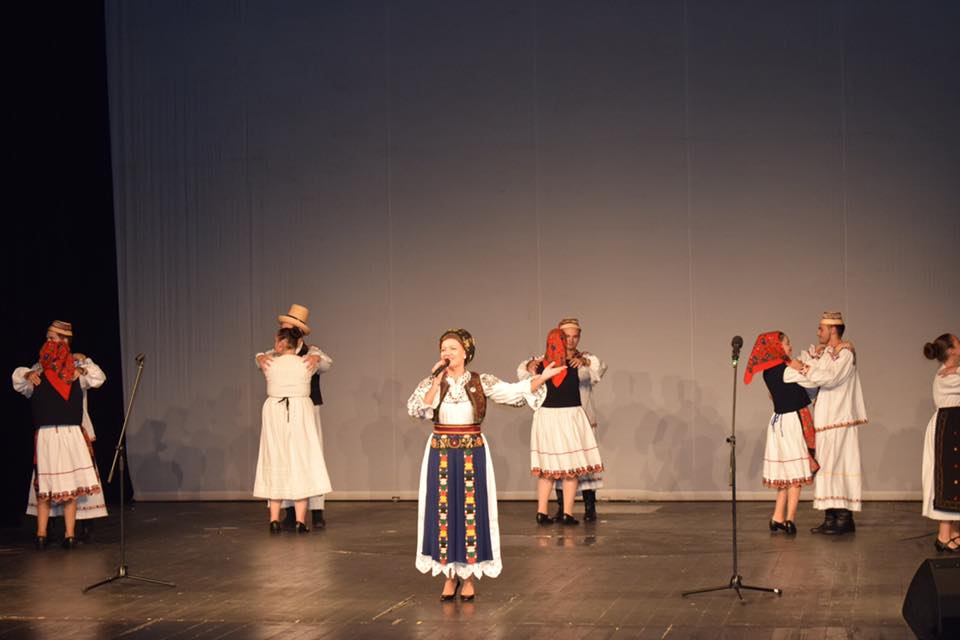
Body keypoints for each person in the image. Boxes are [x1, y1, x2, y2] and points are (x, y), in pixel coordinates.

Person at [408, 328, 563, 602]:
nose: (447, 353)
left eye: (453, 348)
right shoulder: (433, 381)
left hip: (471, 452)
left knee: (471, 512)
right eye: (443, 349)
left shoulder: (481, 381)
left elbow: (513, 393)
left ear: (466, 353)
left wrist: (540, 378)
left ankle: (468, 577)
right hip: (441, 452)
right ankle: (449, 575)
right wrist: (435, 381)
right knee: (443, 513)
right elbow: (418, 410)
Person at [11, 320, 105, 549]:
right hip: (51, 429)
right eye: (47, 338)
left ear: (65, 340)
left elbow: (98, 377)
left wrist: (82, 366)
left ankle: (79, 527)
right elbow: (20, 378)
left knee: (76, 479)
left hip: (73, 428)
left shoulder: (77, 364)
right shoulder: (42, 366)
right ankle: (48, 530)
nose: (48, 341)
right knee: (48, 480)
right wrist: (28, 374)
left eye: (52, 338)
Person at [786, 311, 867, 535]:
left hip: (839, 420)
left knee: (839, 465)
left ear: (833, 330)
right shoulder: (825, 354)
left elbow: (829, 378)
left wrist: (802, 368)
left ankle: (844, 517)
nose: (817, 332)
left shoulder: (845, 354)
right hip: (825, 421)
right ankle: (830, 517)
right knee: (827, 468)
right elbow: (814, 383)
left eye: (821, 328)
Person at [518, 317, 607, 521]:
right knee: (564, 466)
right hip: (567, 418)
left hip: (575, 417)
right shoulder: (546, 361)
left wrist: (584, 361)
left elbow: (598, 368)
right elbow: (524, 372)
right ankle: (564, 510)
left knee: (571, 465)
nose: (570, 341)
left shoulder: (582, 360)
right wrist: (531, 364)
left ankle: (584, 508)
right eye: (566, 337)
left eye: (575, 337)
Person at [255, 304, 332, 528]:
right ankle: (291, 512)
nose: (285, 329)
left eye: (288, 327)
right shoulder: (274, 352)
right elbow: (261, 358)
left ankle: (316, 512)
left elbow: (326, 363)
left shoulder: (312, 352)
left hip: (307, 410)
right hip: (283, 410)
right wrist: (260, 356)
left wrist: (316, 357)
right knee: (283, 455)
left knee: (308, 455)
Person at [744, 331, 819, 535]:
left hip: (778, 422)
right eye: (786, 343)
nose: (790, 347)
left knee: (786, 473)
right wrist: (809, 364)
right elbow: (812, 381)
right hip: (791, 421)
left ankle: (777, 517)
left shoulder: (768, 372)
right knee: (795, 474)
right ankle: (789, 519)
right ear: (776, 347)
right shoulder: (786, 371)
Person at [920, 333, 960, 552]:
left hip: (952, 426)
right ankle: (944, 536)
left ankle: (952, 532)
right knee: (949, 480)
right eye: (958, 343)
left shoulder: (953, 373)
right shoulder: (948, 376)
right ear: (951, 350)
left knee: (955, 479)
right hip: (948, 428)